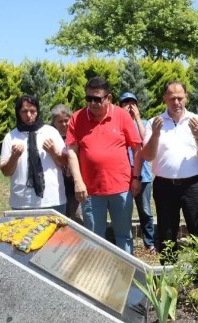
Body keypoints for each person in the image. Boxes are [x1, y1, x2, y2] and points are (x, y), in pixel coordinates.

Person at [66, 77, 143, 254]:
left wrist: (137, 177)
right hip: (91, 191)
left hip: (121, 189)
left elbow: (137, 148)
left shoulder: (122, 116)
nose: (92, 103)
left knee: (124, 235)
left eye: (97, 99)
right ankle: (98, 278)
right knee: (94, 238)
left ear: (108, 97)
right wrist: (78, 181)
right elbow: (71, 151)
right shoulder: (77, 118)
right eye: (89, 99)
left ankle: (126, 275)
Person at [142, 81, 198, 259]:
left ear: (186, 98)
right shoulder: (154, 123)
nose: (176, 102)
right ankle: (169, 276)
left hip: (193, 186)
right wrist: (156, 135)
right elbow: (148, 156)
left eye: (180, 98)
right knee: (167, 234)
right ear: (165, 98)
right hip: (165, 186)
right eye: (172, 98)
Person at [1, 95, 68, 213]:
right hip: (22, 203)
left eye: (32, 111)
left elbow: (65, 162)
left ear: (38, 112)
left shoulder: (51, 132)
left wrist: (53, 152)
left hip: (52, 200)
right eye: (24, 111)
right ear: (18, 113)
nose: (28, 115)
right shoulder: (11, 137)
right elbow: (6, 172)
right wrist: (14, 156)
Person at [119, 92, 156, 252]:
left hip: (144, 176)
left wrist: (138, 119)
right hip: (123, 177)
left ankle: (150, 243)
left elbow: (145, 139)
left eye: (132, 103)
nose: (129, 106)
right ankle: (127, 245)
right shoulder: (117, 124)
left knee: (146, 212)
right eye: (125, 103)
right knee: (123, 213)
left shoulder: (145, 123)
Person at [50, 104, 82, 223]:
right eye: (60, 121)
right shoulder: (50, 137)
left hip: (74, 185)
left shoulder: (77, 135)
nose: (64, 124)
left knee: (78, 218)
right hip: (57, 185)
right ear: (54, 123)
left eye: (66, 120)